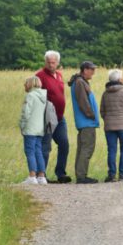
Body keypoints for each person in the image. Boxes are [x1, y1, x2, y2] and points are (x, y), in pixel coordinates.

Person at [36, 50, 71, 183]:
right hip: (48, 117)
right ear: (45, 62)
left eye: (53, 62)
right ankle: (41, 175)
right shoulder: (40, 76)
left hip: (60, 117)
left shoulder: (59, 75)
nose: (51, 65)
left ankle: (61, 173)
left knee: (64, 144)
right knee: (46, 146)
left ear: (57, 63)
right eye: (49, 62)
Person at [100, 69, 123, 182]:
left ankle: (111, 174)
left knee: (111, 150)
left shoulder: (105, 93)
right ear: (119, 79)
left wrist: (107, 120)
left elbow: (102, 111)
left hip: (109, 126)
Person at [68, 61, 100, 184]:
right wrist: (91, 115)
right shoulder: (80, 82)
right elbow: (83, 102)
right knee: (87, 148)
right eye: (92, 70)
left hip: (84, 122)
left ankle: (80, 175)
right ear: (85, 70)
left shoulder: (79, 81)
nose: (93, 72)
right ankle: (82, 176)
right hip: (87, 122)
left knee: (82, 149)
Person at [19, 76, 48, 185]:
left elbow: (26, 113)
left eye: (26, 83)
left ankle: (32, 176)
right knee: (38, 151)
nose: (24, 85)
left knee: (30, 151)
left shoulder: (30, 96)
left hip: (30, 129)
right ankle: (41, 176)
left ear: (30, 84)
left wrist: (22, 126)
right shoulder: (43, 97)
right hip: (40, 129)